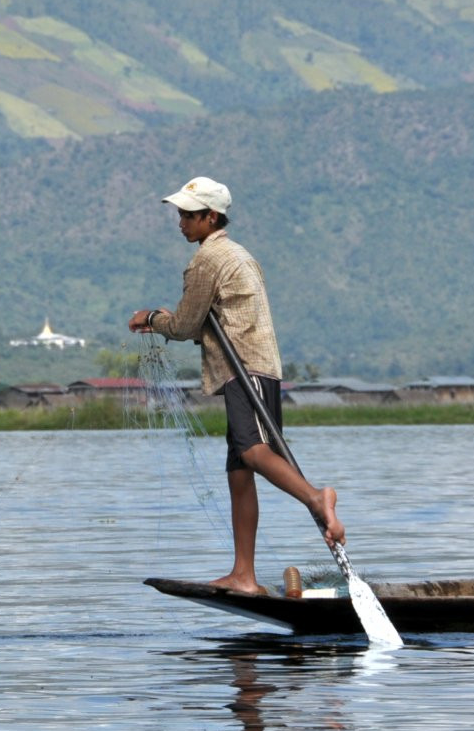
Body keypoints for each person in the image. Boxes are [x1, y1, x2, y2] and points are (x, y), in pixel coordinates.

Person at [129, 175, 343, 595]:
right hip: (247, 369)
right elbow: (203, 323)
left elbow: (187, 323)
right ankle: (244, 575)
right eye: (180, 215)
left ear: (212, 217)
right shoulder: (236, 254)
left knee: (251, 451)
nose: (182, 223)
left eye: (190, 216)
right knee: (238, 472)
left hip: (247, 369)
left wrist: (152, 320)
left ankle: (318, 498)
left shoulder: (209, 260)